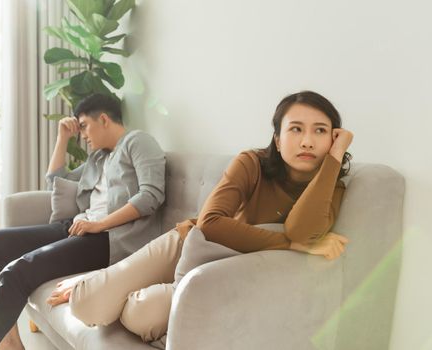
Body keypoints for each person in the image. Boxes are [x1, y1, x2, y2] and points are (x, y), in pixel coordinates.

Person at [48, 90, 353, 343]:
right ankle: (101, 282)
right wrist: (289, 245)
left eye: (321, 131)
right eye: (296, 129)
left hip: (217, 274)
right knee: (87, 304)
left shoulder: (330, 187)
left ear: (332, 139)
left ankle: (120, 285)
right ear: (277, 138)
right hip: (190, 242)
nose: (308, 141)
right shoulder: (252, 163)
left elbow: (301, 230)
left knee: (138, 315)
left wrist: (335, 158)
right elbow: (211, 223)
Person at [0, 93, 166, 350]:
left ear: (104, 119)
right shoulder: (98, 158)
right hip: (80, 227)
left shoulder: (138, 142)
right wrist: (62, 138)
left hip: (108, 238)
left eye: (84, 125)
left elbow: (151, 195)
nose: (83, 135)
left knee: (19, 270)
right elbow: (55, 180)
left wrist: (100, 224)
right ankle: (8, 340)